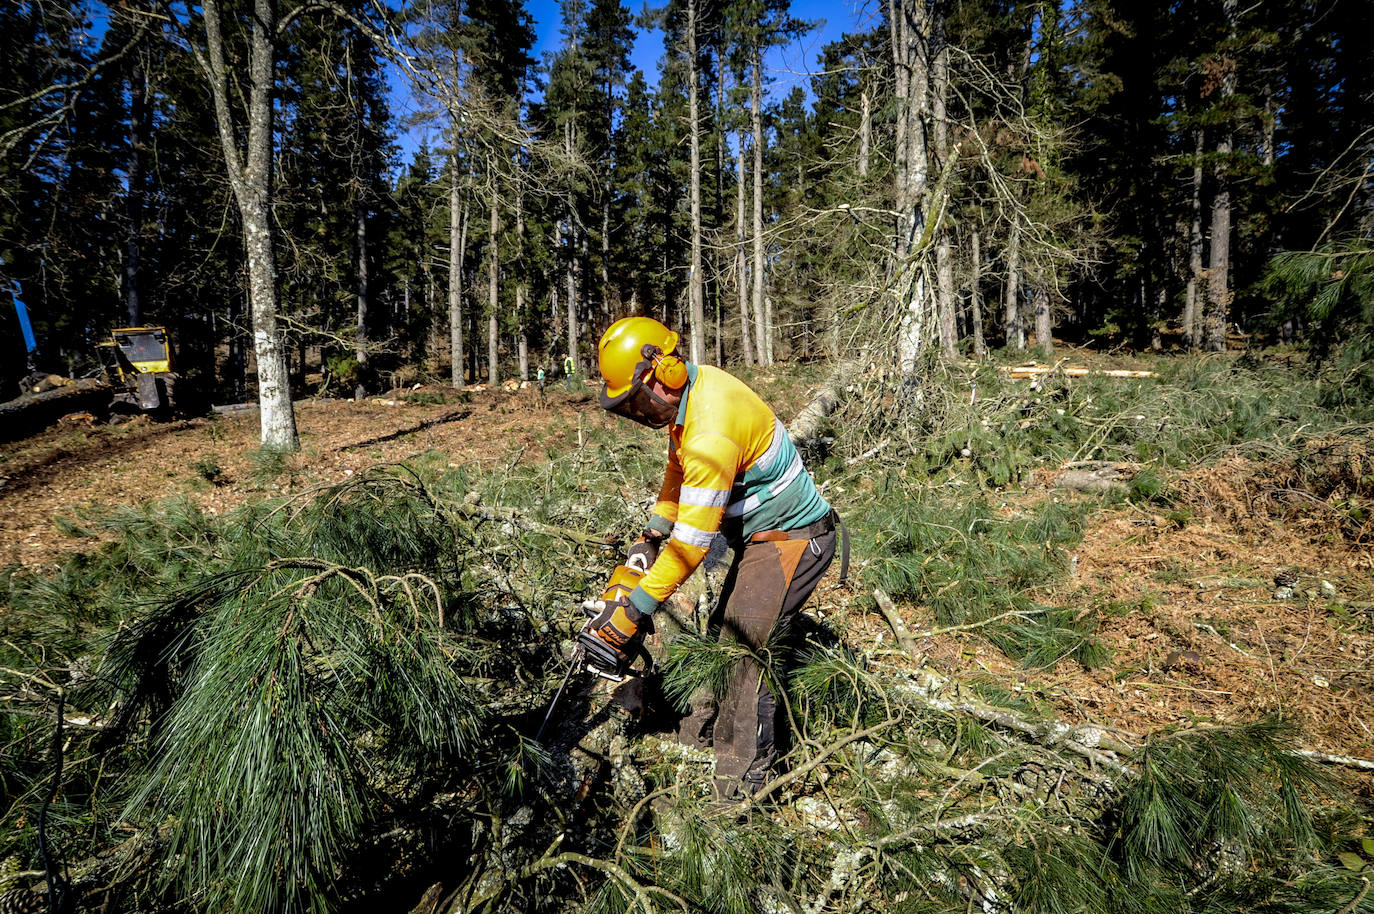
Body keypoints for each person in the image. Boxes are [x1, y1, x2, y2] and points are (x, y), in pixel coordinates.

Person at [585, 316, 842, 801]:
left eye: (638, 401)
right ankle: (693, 739)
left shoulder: (710, 430)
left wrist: (633, 611)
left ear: (666, 372)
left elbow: (690, 547)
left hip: (791, 538)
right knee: (711, 630)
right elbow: (676, 474)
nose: (639, 413)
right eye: (629, 407)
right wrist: (650, 536)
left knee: (745, 655)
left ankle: (738, 795)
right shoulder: (693, 397)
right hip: (751, 531)